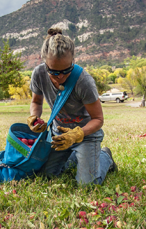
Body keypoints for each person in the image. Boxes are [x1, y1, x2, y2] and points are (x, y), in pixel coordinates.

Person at [27, 28, 116, 185]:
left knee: (87, 184)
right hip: (58, 135)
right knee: (47, 176)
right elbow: (36, 102)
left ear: (73, 61)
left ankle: (105, 156)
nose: (60, 77)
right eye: (53, 71)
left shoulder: (84, 81)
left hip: (86, 136)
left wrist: (77, 135)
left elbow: (98, 119)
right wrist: (35, 118)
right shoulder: (38, 74)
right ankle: (76, 155)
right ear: (44, 63)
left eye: (66, 71)